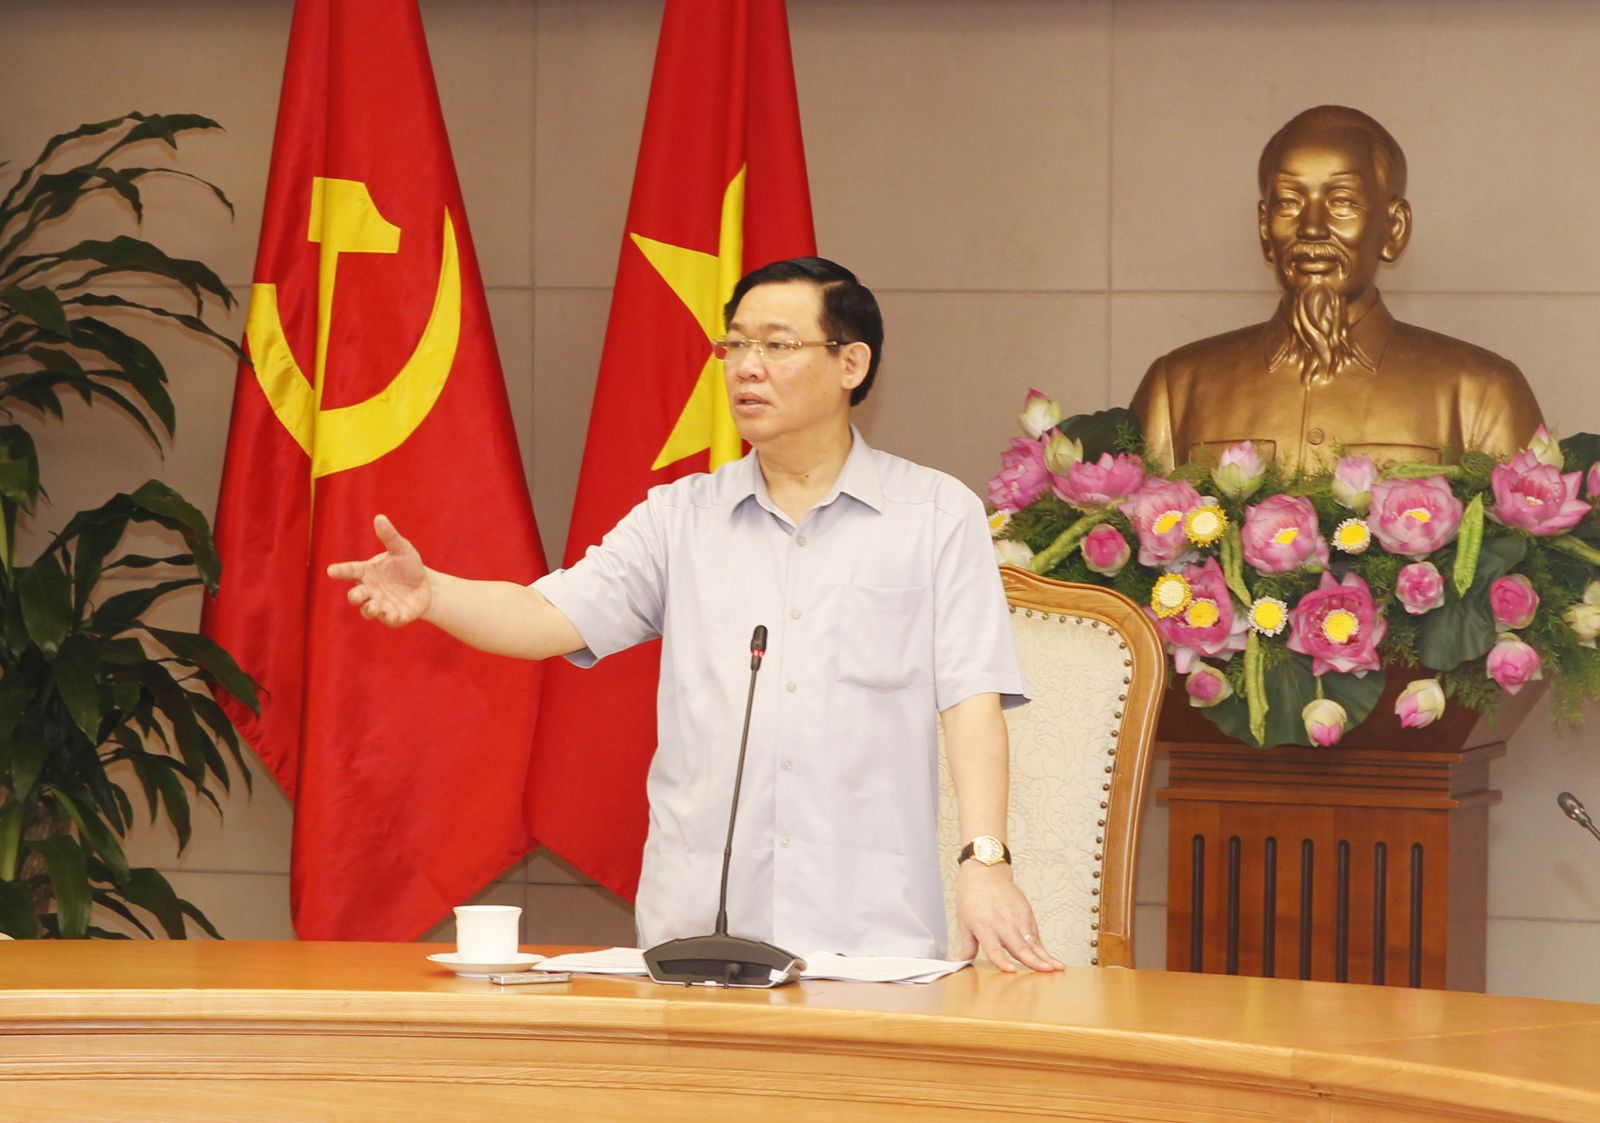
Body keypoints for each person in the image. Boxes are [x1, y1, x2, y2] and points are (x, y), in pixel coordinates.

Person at [329, 257, 1061, 972]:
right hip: (699, 930)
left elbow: (972, 701)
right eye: (734, 345)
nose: (747, 367)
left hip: (868, 928)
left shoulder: (934, 516)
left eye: (777, 345)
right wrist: (436, 594)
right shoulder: (680, 517)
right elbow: (546, 615)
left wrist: (986, 861)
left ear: (851, 363)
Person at [1132, 104, 1543, 474]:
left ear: (1394, 229)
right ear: (1264, 227)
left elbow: (1527, 528)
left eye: (1342, 202)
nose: (1311, 228)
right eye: (1289, 202)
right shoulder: (1177, 389)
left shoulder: (1482, 392)